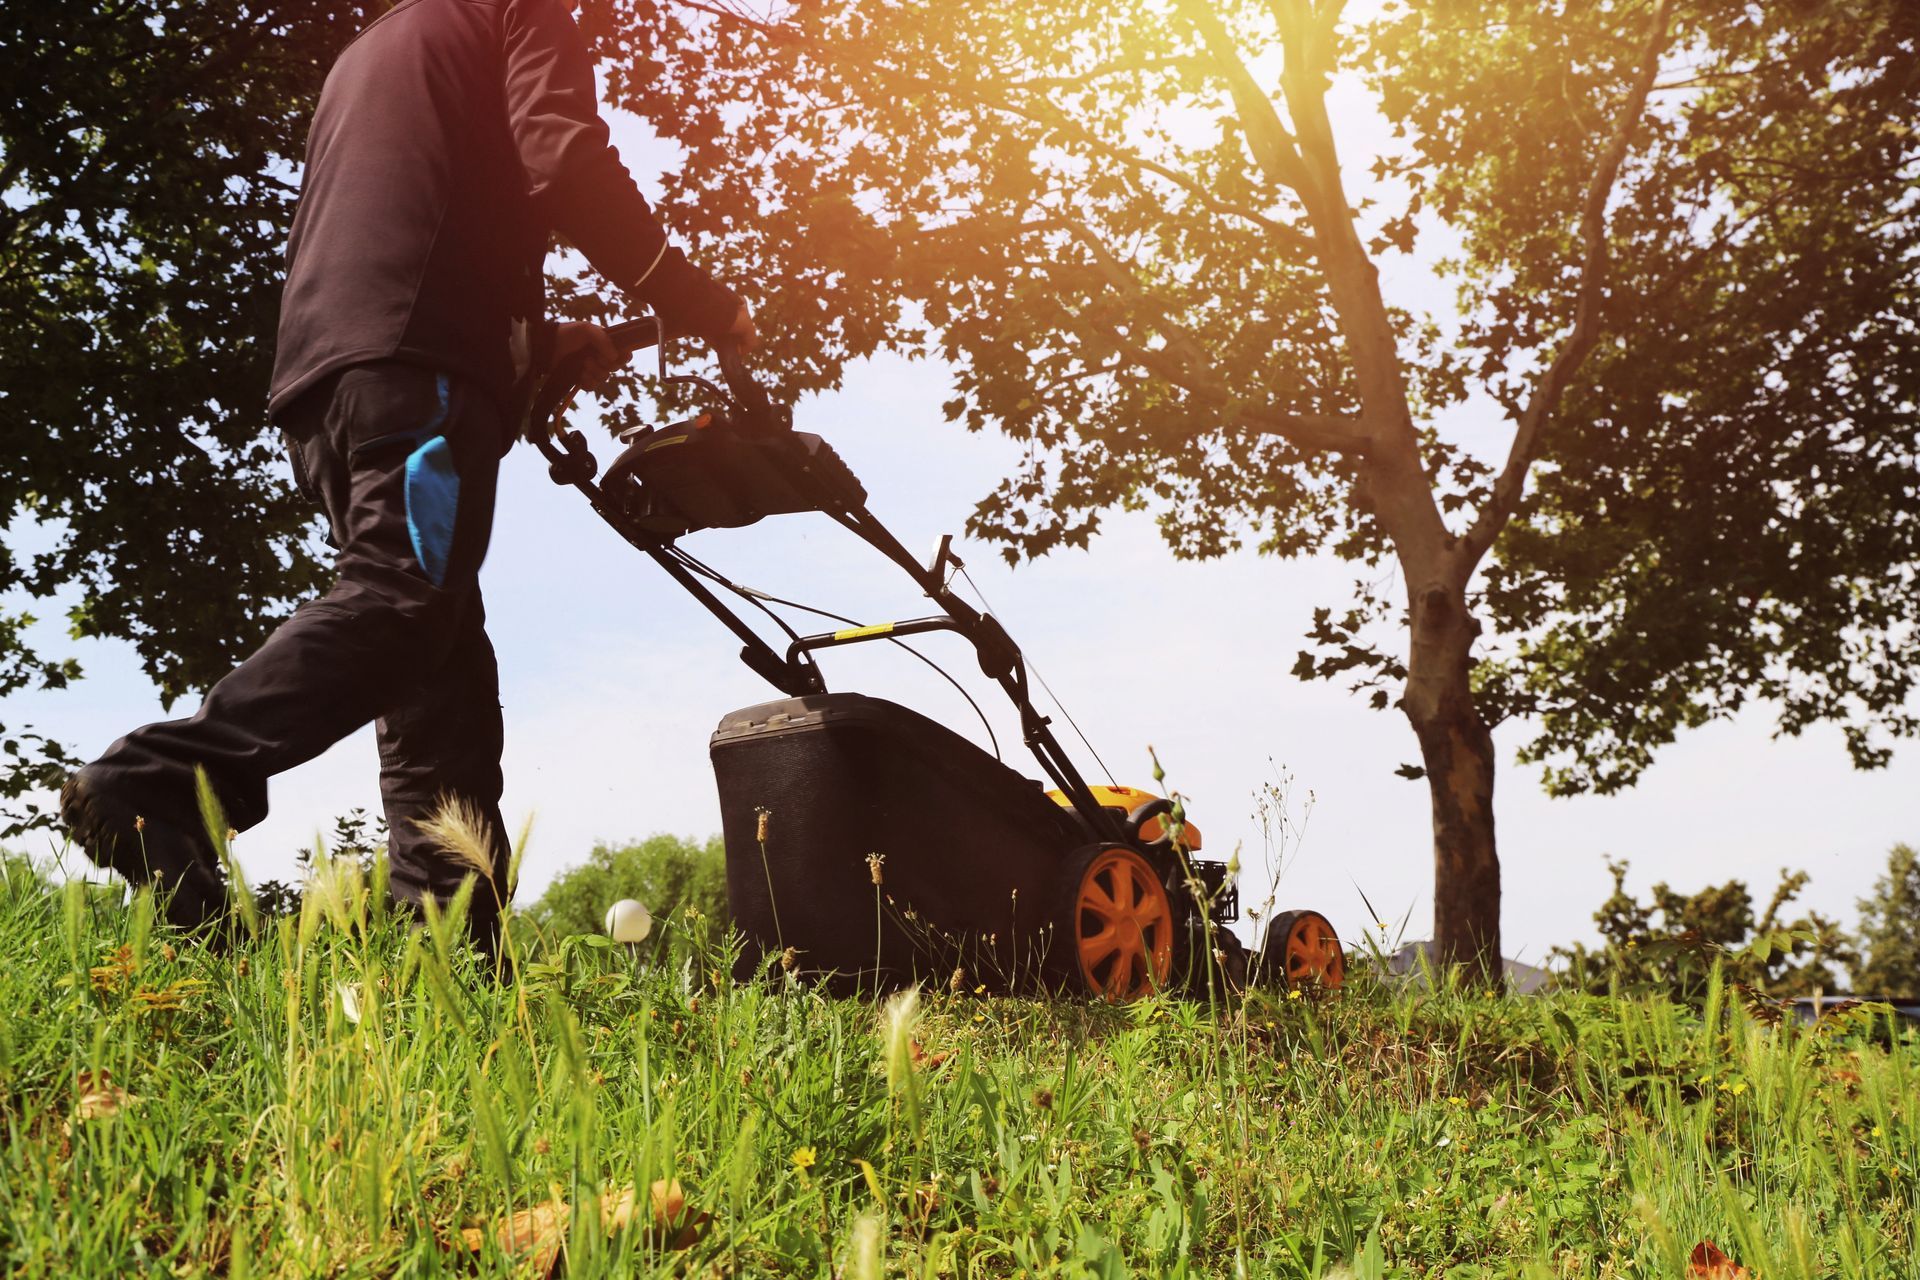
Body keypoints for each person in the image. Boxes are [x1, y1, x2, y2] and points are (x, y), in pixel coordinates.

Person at [59, 0, 753, 954]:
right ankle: (165, 778)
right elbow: (565, 161)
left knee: (442, 660)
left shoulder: (376, 49)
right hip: (416, 369)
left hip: (327, 379)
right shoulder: (522, 9)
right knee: (406, 597)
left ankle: (451, 948)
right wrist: (691, 294)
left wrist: (540, 344)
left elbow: (411, 225)